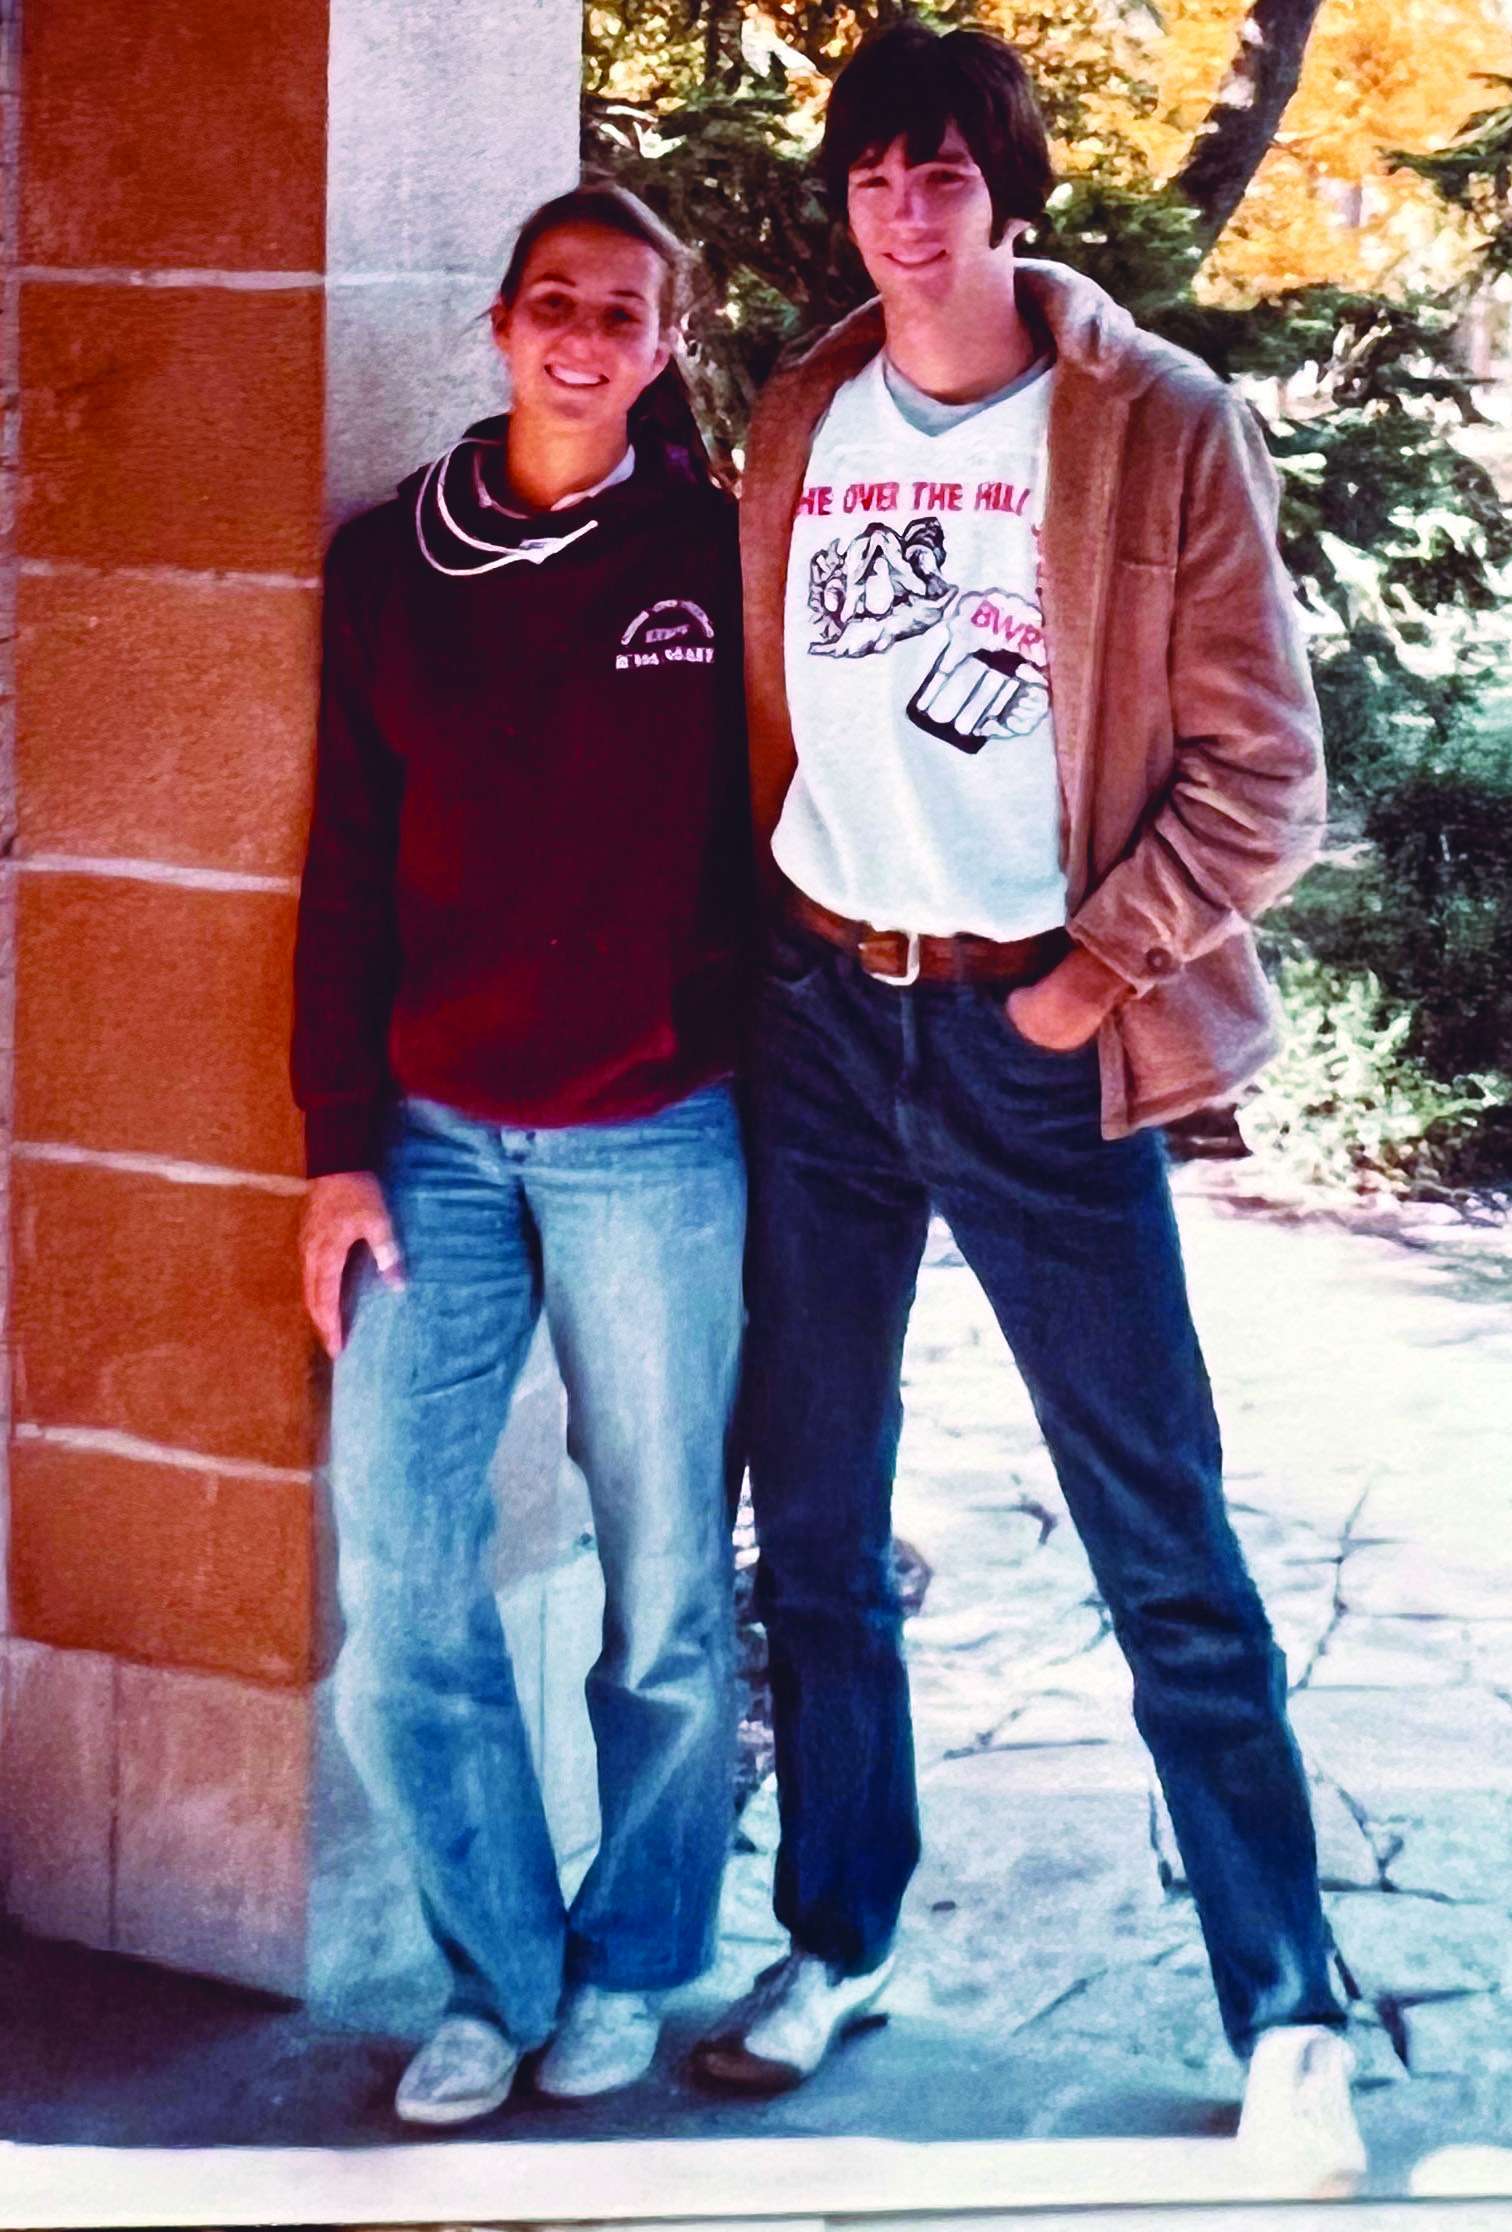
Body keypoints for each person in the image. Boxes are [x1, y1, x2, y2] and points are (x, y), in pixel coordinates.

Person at [690, 22, 1366, 2198]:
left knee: (1158, 1534)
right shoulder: (803, 404)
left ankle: (1288, 2012)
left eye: (944, 173)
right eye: (876, 175)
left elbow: (1266, 776)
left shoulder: (1150, 421)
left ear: (1005, 193)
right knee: (814, 1524)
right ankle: (840, 1936)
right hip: (821, 1025)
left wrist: (1090, 975)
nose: (909, 209)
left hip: (1028, 1036)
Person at [292, 183, 749, 2124]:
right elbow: (346, 869)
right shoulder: (389, 558)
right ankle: (496, 1966)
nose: (585, 335)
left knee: (663, 1596)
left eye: (625, 314)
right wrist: (335, 1147)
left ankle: (636, 1959)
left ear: (662, 351)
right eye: (555, 301)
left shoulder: (716, 552)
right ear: (499, 325)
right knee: (396, 1588)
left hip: (656, 1138)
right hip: (435, 1147)